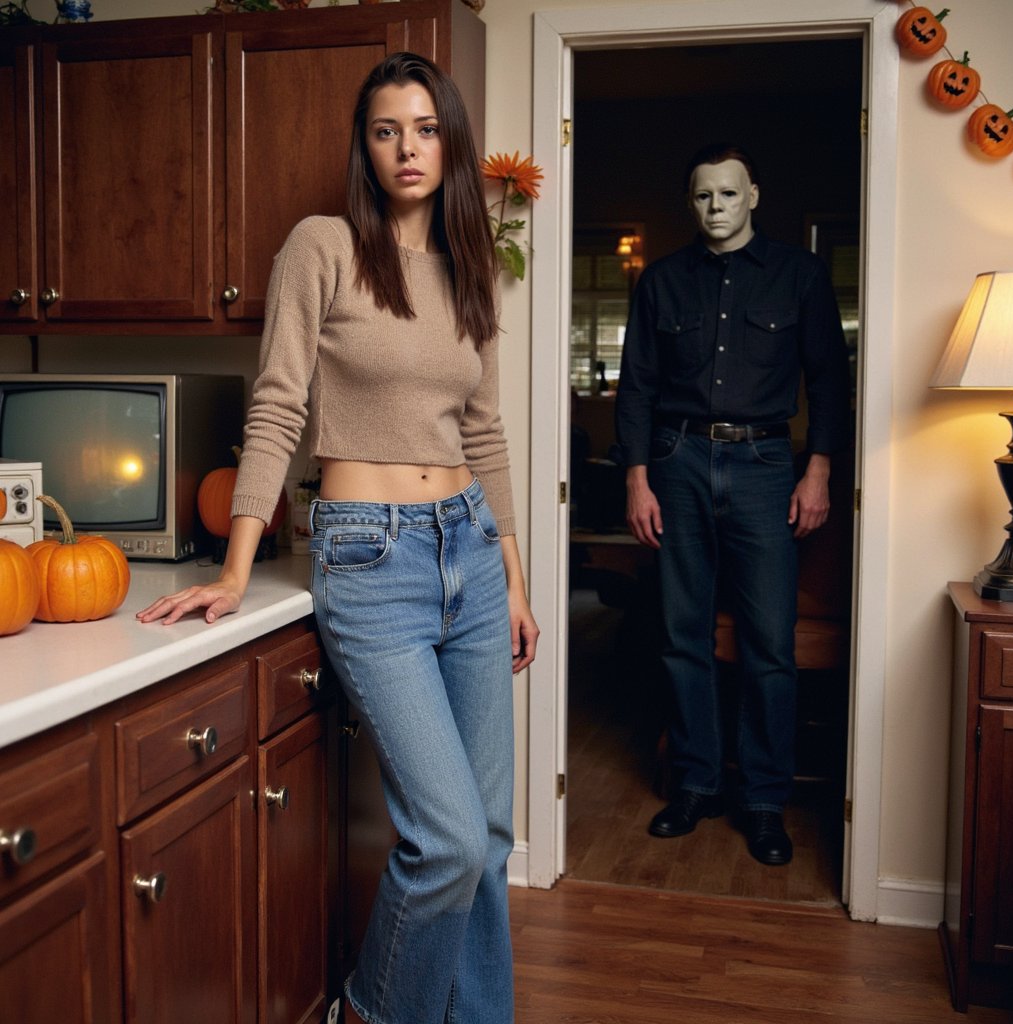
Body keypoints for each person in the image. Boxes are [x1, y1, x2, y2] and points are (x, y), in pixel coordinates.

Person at [138, 52, 538, 1024]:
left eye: (426, 128)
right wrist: (236, 567)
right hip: (368, 552)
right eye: (386, 130)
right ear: (363, 146)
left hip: (472, 553)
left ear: (450, 141)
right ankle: (368, 1010)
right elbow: (276, 408)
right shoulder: (321, 246)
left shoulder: (471, 262)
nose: (408, 147)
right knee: (442, 838)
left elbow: (484, 433)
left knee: (485, 836)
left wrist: (515, 579)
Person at [614, 143, 849, 867]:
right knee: (683, 636)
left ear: (753, 195)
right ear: (693, 204)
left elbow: (831, 383)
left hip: (764, 465)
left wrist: (818, 473)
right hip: (677, 462)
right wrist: (636, 478)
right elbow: (638, 388)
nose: (715, 207)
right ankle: (694, 785)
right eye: (702, 197)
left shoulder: (801, 276)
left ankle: (764, 802)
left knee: (767, 645)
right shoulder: (660, 282)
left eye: (727, 193)